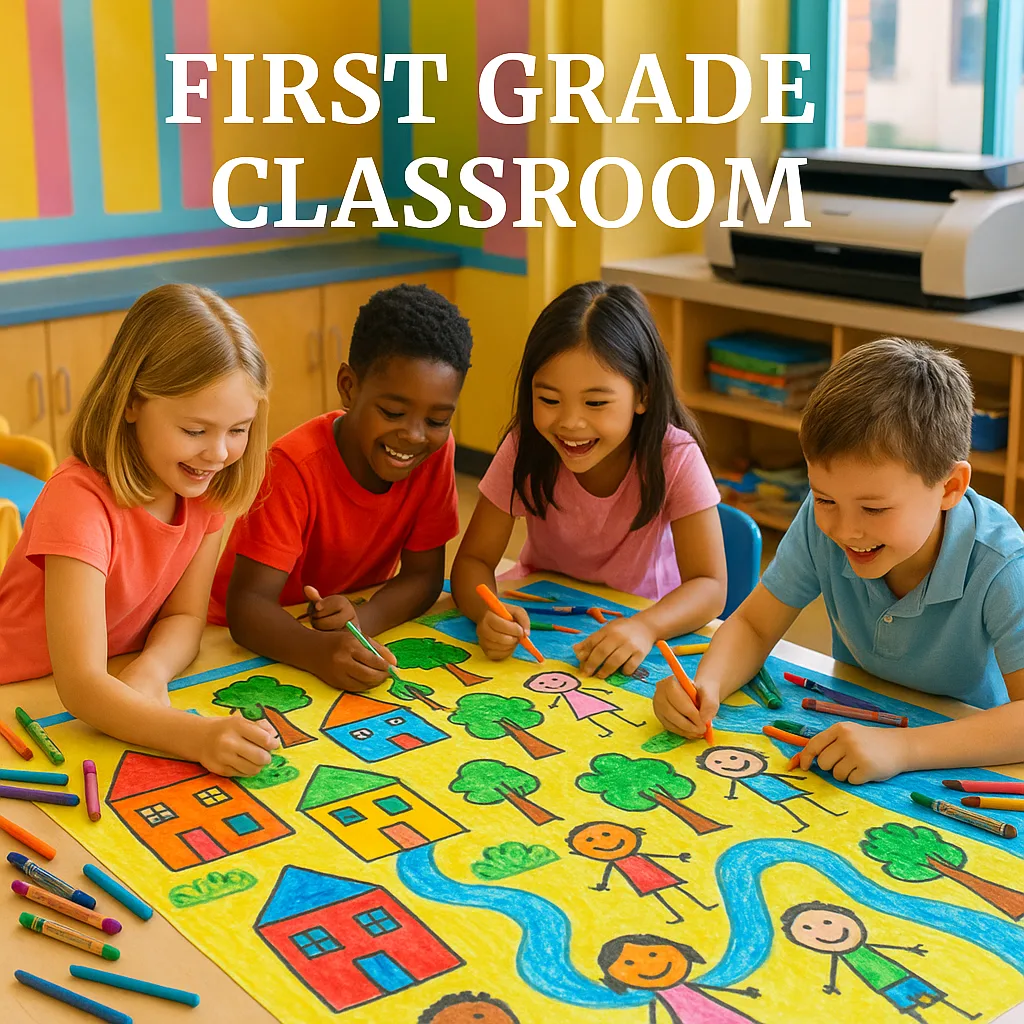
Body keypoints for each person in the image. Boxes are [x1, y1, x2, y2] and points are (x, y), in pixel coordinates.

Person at [655, 338, 1024, 783]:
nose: (846, 530)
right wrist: (705, 687)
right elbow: (754, 625)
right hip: (852, 729)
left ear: (949, 487)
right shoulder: (820, 520)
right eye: (825, 497)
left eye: (874, 509)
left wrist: (902, 749)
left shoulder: (1002, 562)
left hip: (957, 759)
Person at [0, 284, 279, 777]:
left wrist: (149, 673)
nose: (218, 453)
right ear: (131, 404)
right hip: (17, 694)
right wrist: (198, 736)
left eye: (238, 430)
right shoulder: (78, 500)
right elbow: (81, 683)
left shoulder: (202, 487)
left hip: (92, 694)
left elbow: (186, 617)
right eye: (195, 430)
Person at [452, 281, 726, 679]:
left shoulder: (674, 458)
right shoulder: (525, 447)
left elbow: (710, 585)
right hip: (545, 614)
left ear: (642, 396)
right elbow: (472, 562)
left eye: (596, 403)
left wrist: (645, 626)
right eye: (548, 400)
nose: (570, 423)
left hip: (643, 621)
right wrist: (488, 612)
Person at [212, 284, 472, 691]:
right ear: (349, 387)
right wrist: (318, 651)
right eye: (393, 412)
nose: (414, 436)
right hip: (249, 646)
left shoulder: (435, 455)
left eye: (438, 421)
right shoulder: (293, 467)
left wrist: (359, 621)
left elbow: (424, 576)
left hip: (334, 637)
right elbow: (246, 608)